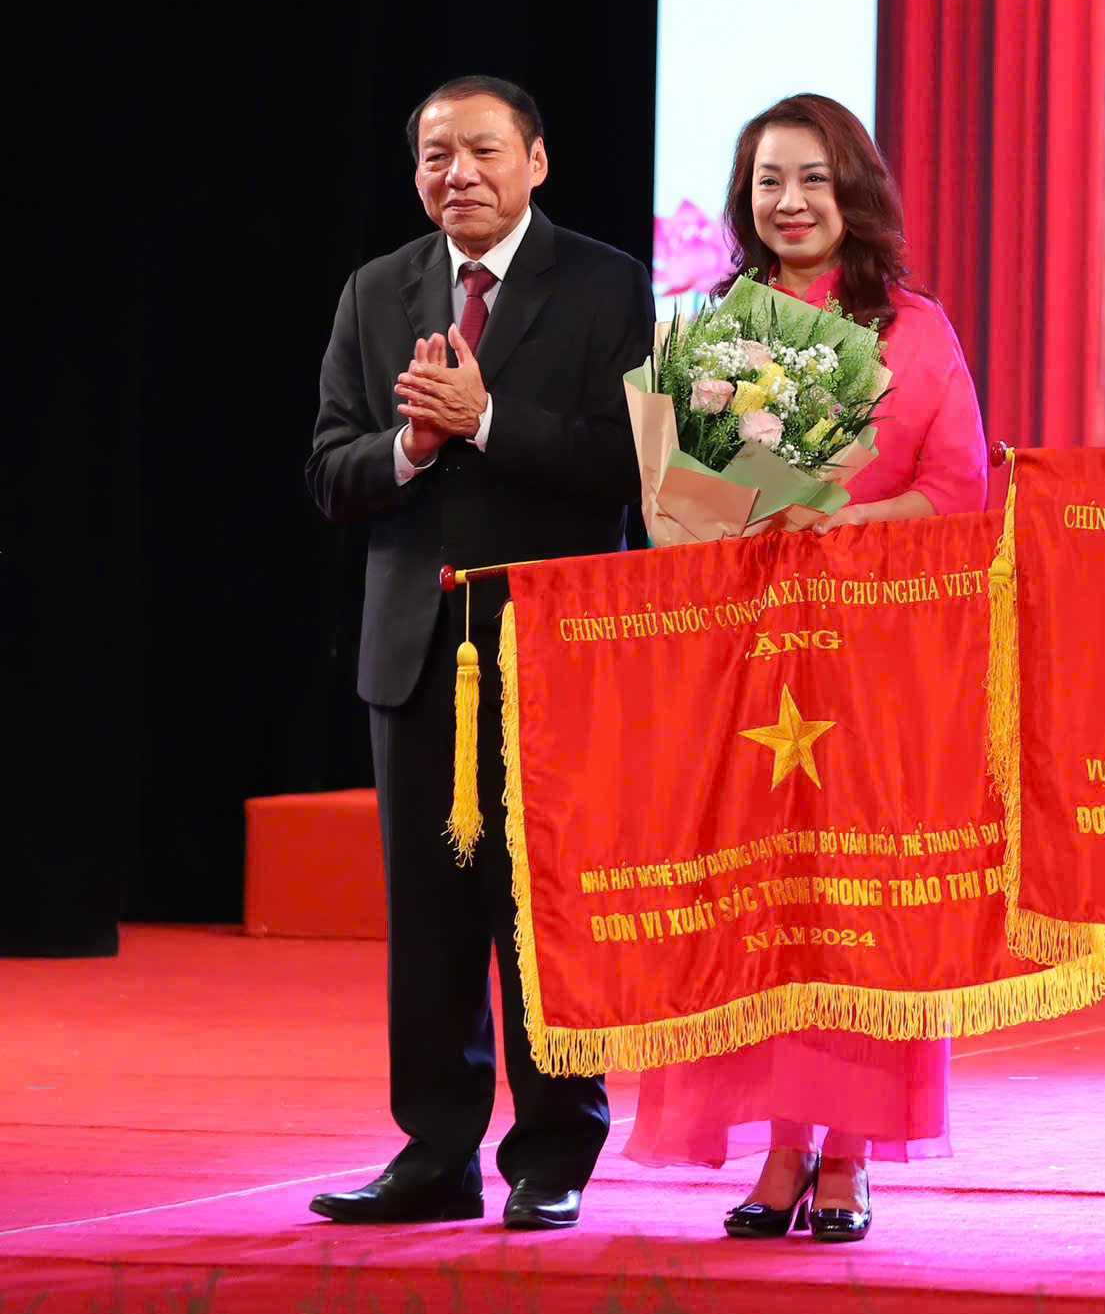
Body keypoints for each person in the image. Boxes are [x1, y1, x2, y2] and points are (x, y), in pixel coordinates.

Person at [621, 92, 987, 1243]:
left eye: (814, 179)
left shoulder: (916, 330)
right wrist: (729, 516)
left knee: (859, 901)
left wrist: (837, 517)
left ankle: (848, 1151)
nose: (791, 201)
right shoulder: (703, 332)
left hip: (877, 664)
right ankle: (778, 1144)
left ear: (855, 193)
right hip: (743, 665)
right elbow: (666, 500)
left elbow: (961, 493)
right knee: (760, 903)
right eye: (770, 181)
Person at [306, 76, 652, 1230]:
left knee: (545, 912)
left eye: (483, 150)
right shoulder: (377, 289)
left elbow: (630, 467)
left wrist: (487, 419)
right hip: (414, 656)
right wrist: (407, 443)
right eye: (436, 154)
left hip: (559, 654)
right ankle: (434, 1152)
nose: (458, 172)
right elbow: (329, 471)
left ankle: (555, 1149)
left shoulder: (607, 283)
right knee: (433, 918)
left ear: (537, 160)